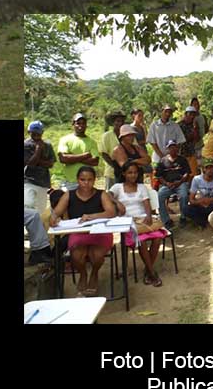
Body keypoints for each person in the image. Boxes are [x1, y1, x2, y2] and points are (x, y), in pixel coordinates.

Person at [49, 166, 116, 296]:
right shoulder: (69, 195)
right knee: (76, 256)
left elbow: (111, 212)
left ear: (95, 180)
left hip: (100, 232)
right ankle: (83, 274)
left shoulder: (101, 194)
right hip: (78, 233)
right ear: (77, 180)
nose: (86, 183)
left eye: (90, 180)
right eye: (82, 179)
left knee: (96, 256)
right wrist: (53, 218)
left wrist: (92, 216)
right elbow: (56, 212)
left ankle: (94, 274)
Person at [109, 161, 167, 286]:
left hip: (143, 219)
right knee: (142, 241)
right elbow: (107, 196)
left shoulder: (141, 187)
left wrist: (149, 216)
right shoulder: (117, 187)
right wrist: (117, 202)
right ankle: (152, 273)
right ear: (124, 173)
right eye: (130, 172)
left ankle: (148, 270)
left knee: (157, 239)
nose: (133, 175)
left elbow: (146, 204)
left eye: (135, 172)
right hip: (127, 222)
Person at [56, 114, 100, 191]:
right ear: (73, 124)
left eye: (83, 123)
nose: (81, 125)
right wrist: (86, 155)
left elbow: (95, 161)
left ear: (86, 125)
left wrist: (71, 156)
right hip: (69, 182)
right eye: (78, 123)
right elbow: (63, 159)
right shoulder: (65, 139)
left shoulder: (92, 142)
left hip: (86, 183)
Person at [24, 120, 56, 222]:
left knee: (40, 210)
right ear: (29, 132)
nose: (36, 135)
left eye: (38, 133)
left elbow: (51, 163)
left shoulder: (48, 145)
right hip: (28, 180)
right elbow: (30, 163)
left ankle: (33, 232)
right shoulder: (25, 145)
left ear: (42, 133)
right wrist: (38, 150)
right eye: (33, 133)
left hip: (43, 182)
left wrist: (37, 161)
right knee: (28, 205)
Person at [156, 141, 192, 230]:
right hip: (167, 184)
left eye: (174, 147)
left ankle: (183, 217)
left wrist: (179, 182)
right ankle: (166, 220)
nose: (173, 149)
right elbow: (159, 176)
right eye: (170, 147)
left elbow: (187, 173)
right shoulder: (163, 160)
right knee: (159, 196)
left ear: (177, 148)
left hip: (180, 183)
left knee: (184, 195)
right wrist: (166, 183)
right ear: (168, 149)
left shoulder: (182, 159)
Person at [185, 162, 213, 228]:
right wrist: (201, 201)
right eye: (207, 168)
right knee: (186, 209)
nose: (210, 170)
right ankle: (205, 223)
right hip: (202, 204)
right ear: (203, 169)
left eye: (211, 167)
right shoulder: (197, 179)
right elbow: (191, 199)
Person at [149, 105, 185, 172]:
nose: (167, 114)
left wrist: (173, 154)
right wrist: (162, 157)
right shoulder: (154, 125)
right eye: (166, 111)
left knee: (171, 177)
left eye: (169, 112)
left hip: (172, 159)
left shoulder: (175, 126)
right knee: (157, 178)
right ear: (161, 112)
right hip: (157, 158)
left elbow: (180, 141)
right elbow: (152, 142)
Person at [99, 111, 127, 186]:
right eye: (118, 121)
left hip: (127, 172)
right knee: (110, 196)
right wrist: (115, 166)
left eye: (122, 121)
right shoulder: (106, 136)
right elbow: (104, 153)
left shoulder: (128, 135)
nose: (120, 123)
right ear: (113, 122)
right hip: (111, 172)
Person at [178, 105, 203, 176]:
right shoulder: (180, 125)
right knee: (182, 175)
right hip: (182, 154)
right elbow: (182, 140)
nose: (192, 116)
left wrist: (195, 129)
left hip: (191, 153)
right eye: (190, 114)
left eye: (193, 115)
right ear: (186, 114)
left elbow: (197, 139)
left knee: (194, 174)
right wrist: (191, 136)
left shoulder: (194, 125)